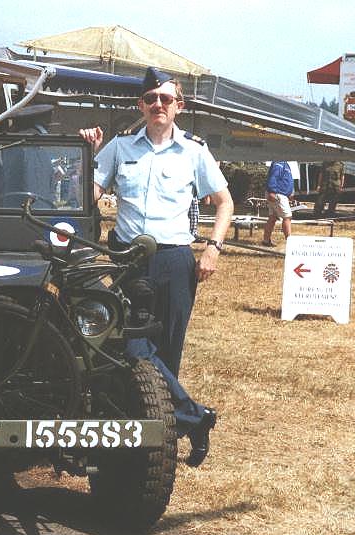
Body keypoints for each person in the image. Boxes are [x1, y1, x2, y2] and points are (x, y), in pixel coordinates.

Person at [79, 67, 234, 467]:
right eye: (152, 99)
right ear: (141, 105)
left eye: (166, 99)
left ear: (179, 106)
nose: (158, 105)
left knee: (167, 351)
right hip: (129, 261)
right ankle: (196, 418)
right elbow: (88, 197)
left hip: (174, 261)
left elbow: (224, 202)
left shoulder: (194, 152)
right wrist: (87, 156)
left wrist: (213, 248)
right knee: (128, 346)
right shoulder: (120, 147)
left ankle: (156, 448)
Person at [261, 161, 294, 247]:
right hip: (278, 194)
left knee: (273, 217)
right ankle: (290, 243)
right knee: (287, 217)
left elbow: (287, 179)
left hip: (280, 194)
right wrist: (272, 191)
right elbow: (273, 177)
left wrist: (290, 191)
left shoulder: (286, 164)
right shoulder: (279, 162)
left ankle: (266, 240)